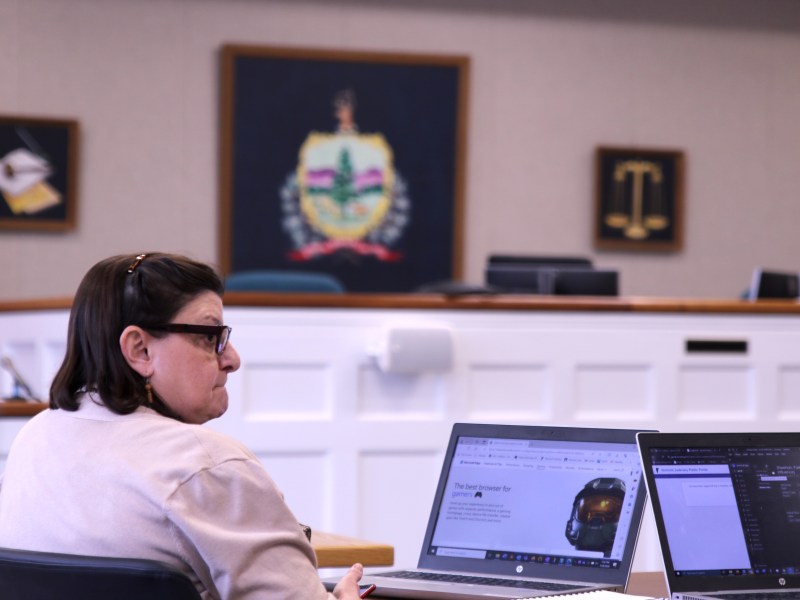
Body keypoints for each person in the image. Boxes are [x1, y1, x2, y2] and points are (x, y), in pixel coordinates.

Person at [0, 252, 364, 599]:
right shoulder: (207, 464)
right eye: (209, 337)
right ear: (140, 349)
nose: (232, 359)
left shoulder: (35, 435)